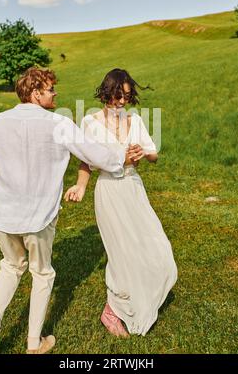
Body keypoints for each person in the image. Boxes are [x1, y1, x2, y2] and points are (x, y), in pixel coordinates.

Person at [0, 67, 126, 354]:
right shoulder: (59, 124)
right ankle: (34, 344)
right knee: (42, 274)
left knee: (11, 266)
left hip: (3, 216)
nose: (56, 93)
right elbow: (94, 154)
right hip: (38, 217)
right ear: (35, 94)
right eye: (51, 89)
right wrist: (123, 158)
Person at [65, 68, 178, 337]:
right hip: (109, 192)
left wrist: (143, 154)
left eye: (126, 96)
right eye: (117, 96)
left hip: (133, 188)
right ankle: (112, 310)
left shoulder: (135, 120)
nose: (121, 102)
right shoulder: (91, 123)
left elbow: (153, 155)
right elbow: (85, 161)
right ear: (106, 93)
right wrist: (80, 186)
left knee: (156, 247)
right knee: (121, 255)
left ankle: (142, 297)